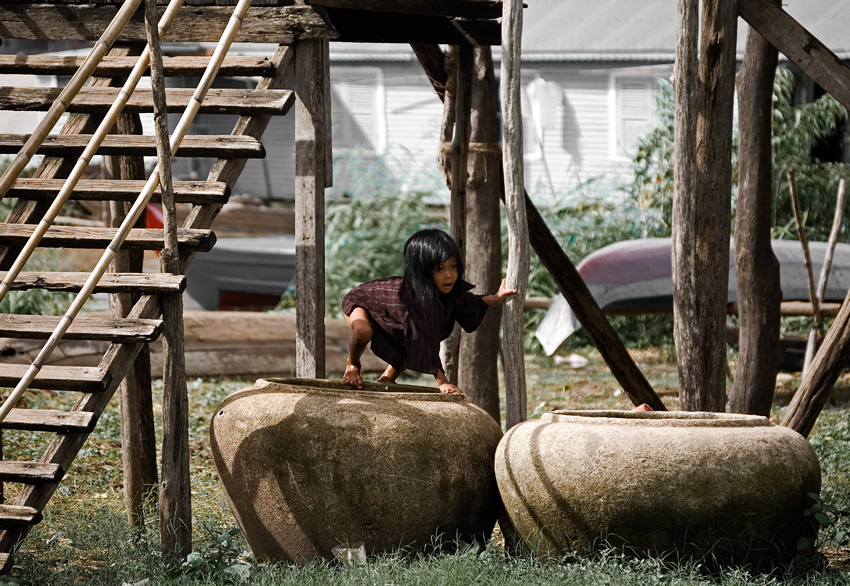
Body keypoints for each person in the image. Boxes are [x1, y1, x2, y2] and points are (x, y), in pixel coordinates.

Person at [342, 228, 516, 397]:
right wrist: (443, 382)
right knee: (364, 332)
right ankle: (352, 365)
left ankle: (386, 380)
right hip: (362, 302)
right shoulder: (416, 300)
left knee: (409, 346)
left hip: (395, 317)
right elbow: (424, 341)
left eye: (453, 266)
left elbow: (466, 301)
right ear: (423, 272)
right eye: (440, 269)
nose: (449, 275)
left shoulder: (446, 291)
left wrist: (495, 299)